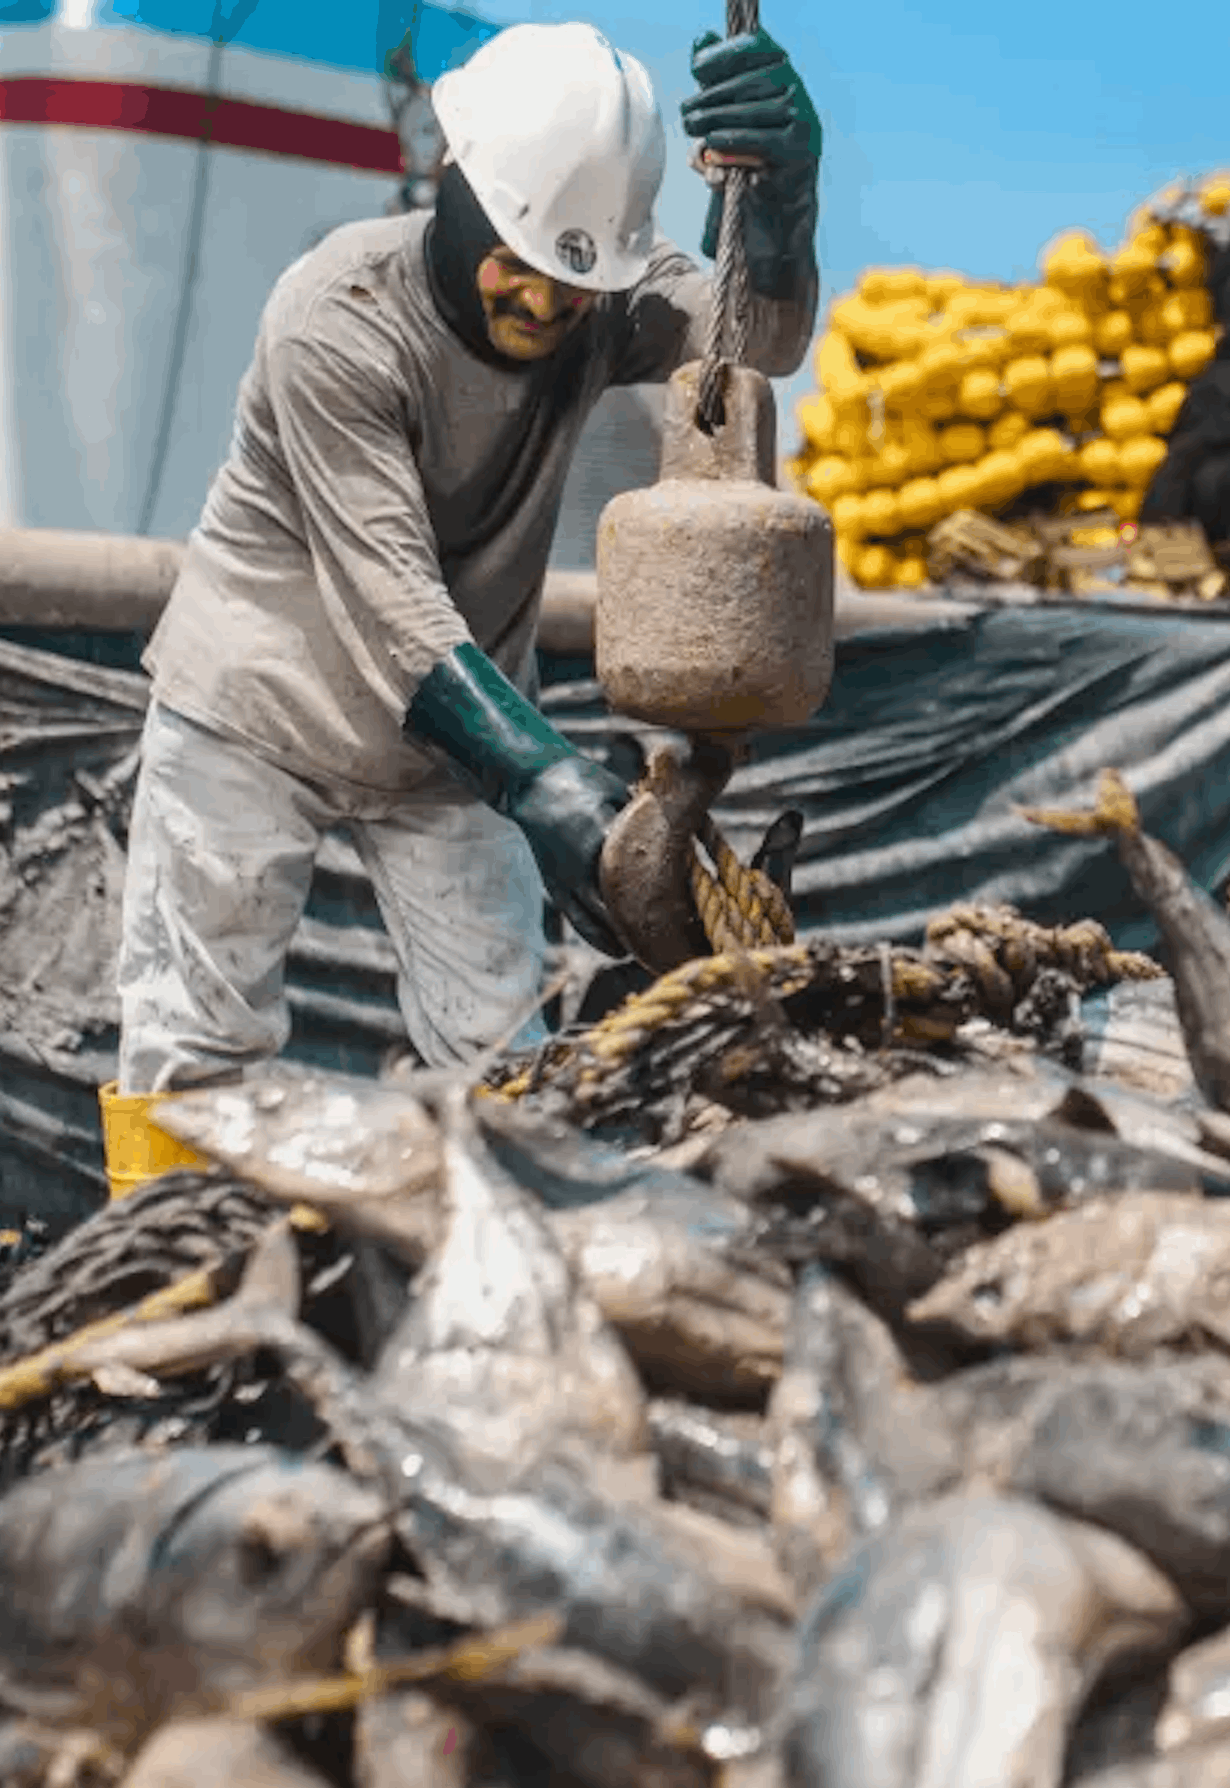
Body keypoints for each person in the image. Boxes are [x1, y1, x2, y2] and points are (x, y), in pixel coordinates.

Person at [101, 18, 822, 1192]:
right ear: (455, 186)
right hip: (257, 713)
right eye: (522, 262)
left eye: (577, 281)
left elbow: (756, 342)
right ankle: (152, 1297)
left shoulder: (593, 297)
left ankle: (503, 1263)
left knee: (503, 1048)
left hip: (454, 745)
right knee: (195, 1050)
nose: (544, 303)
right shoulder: (335, 317)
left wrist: (783, 198)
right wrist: (553, 790)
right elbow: (395, 607)